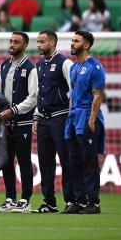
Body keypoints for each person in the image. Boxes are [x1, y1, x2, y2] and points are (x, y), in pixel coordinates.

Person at [0, 32, 38, 213]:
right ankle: (10, 198)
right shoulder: (3, 66)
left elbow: (33, 97)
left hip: (23, 122)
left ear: (25, 45)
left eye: (16, 42)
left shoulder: (31, 68)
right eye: (11, 41)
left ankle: (25, 200)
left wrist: (14, 110)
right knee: (6, 161)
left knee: (24, 160)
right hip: (5, 122)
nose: (12, 44)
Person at [64, 30, 106, 214]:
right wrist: (69, 115)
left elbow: (98, 96)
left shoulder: (95, 67)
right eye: (72, 40)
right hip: (73, 118)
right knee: (73, 161)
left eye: (76, 41)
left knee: (88, 161)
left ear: (86, 45)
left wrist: (92, 120)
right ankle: (79, 200)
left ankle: (93, 202)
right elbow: (72, 95)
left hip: (87, 117)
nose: (72, 44)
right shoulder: (73, 68)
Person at [33, 30, 75, 213]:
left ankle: (71, 200)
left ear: (52, 42)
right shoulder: (39, 65)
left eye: (42, 42)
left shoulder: (65, 63)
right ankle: (49, 202)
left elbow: (75, 89)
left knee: (66, 160)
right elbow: (38, 94)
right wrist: (36, 116)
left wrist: (72, 115)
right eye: (37, 42)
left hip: (61, 116)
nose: (38, 45)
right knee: (45, 163)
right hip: (43, 119)